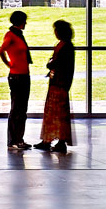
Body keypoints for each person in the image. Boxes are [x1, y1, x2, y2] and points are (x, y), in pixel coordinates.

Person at [40, 19, 76, 154]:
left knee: (58, 114)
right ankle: (48, 139)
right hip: (57, 84)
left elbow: (54, 63)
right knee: (53, 113)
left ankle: (59, 141)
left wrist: (50, 64)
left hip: (60, 85)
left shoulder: (65, 47)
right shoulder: (63, 45)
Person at [0, 10, 32, 150]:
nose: (26, 23)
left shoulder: (19, 35)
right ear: (20, 21)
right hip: (17, 76)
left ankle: (19, 139)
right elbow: (1, 50)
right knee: (16, 109)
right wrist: (8, 64)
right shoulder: (11, 35)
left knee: (22, 109)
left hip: (24, 75)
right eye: (24, 20)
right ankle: (13, 140)